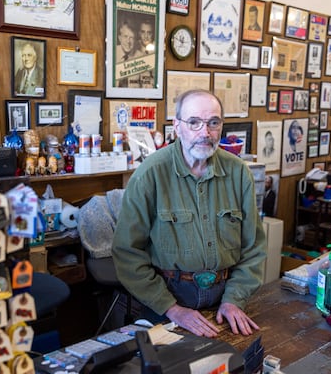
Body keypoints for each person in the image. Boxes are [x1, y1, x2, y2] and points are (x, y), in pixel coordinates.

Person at [112, 90, 267, 338]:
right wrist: (172, 309)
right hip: (167, 300)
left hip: (226, 300)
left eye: (213, 123)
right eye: (194, 122)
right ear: (177, 126)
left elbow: (254, 248)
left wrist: (234, 300)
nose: (204, 133)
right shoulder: (150, 174)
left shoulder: (238, 173)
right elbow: (126, 253)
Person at [115, 20, 144, 87]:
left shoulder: (141, 57)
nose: (128, 41)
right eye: (125, 36)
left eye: (131, 38)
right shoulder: (112, 53)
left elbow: (147, 85)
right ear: (119, 38)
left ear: (135, 40)